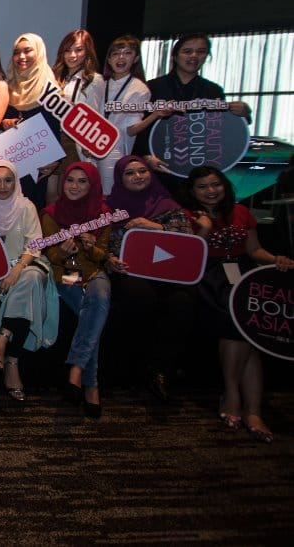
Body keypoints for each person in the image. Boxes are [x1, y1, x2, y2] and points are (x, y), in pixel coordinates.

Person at [180, 166, 292, 443]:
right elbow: (187, 256)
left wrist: (277, 260)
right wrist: (204, 229)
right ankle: (234, 396)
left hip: (243, 274)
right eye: (202, 187)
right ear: (192, 191)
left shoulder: (241, 211)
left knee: (251, 331)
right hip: (209, 276)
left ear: (225, 185)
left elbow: (254, 250)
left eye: (215, 184)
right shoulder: (185, 215)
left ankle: (251, 409)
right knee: (237, 322)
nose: (210, 191)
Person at [104, 155, 196, 404]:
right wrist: (110, 259)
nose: (137, 176)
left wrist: (154, 227)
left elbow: (188, 242)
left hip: (168, 275)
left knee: (181, 302)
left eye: (142, 171)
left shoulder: (168, 205)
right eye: (129, 173)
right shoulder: (109, 208)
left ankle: (160, 369)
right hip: (128, 272)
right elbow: (103, 244)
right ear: (119, 178)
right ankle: (133, 366)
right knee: (139, 295)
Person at [0, 160, 59, 401]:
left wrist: (16, 270)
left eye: (8, 180)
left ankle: (4, 344)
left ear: (16, 182)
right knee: (26, 289)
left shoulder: (26, 206)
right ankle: (12, 360)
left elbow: (34, 244)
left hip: (25, 264)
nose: (2, 186)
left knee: (30, 279)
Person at [40, 162, 111, 419]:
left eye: (82, 181)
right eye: (70, 180)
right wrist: (61, 252)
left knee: (99, 298)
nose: (74, 186)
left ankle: (76, 369)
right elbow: (51, 256)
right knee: (89, 313)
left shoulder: (103, 214)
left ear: (92, 186)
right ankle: (91, 383)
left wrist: (92, 248)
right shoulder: (51, 213)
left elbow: (103, 256)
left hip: (93, 272)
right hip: (68, 274)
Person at [138, 33, 251, 194]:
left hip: (199, 168)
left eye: (201, 51)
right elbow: (139, 125)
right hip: (158, 165)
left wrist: (243, 113)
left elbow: (223, 130)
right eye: (187, 51)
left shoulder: (213, 90)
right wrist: (145, 156)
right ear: (175, 56)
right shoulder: (152, 87)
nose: (194, 56)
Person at [4, 33, 62, 205]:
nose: (21, 56)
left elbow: (56, 126)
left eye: (27, 51)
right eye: (17, 52)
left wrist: (56, 159)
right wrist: (5, 123)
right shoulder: (9, 85)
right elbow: (3, 119)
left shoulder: (50, 88)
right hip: (11, 160)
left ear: (39, 52)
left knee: (32, 208)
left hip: (39, 163)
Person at [96, 35, 152, 194]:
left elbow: (131, 129)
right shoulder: (100, 83)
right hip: (91, 143)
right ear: (108, 59)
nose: (121, 58)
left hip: (115, 149)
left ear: (136, 58)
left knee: (109, 194)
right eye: (115, 53)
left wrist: (155, 115)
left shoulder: (139, 88)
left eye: (127, 53)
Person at [52, 29, 105, 171]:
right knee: (50, 185)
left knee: (70, 183)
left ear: (87, 51)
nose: (72, 55)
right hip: (52, 138)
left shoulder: (94, 80)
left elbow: (94, 117)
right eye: (68, 51)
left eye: (79, 50)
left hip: (74, 142)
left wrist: (73, 110)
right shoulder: (55, 76)